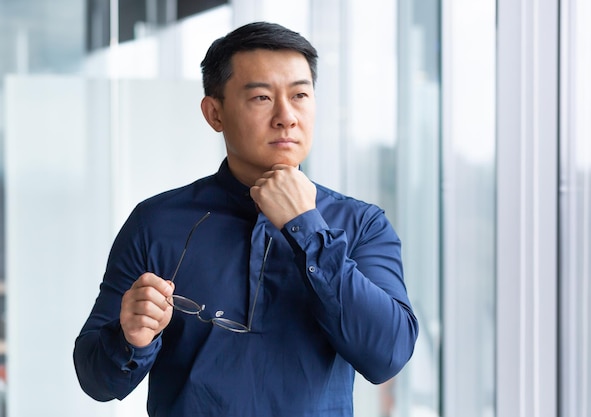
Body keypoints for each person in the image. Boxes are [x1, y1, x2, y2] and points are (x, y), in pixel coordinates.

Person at [73, 21, 418, 417]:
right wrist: (130, 338)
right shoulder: (156, 222)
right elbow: (96, 381)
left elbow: (388, 355)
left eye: (300, 95)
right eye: (261, 98)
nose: (287, 117)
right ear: (214, 112)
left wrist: (305, 225)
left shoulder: (362, 225)